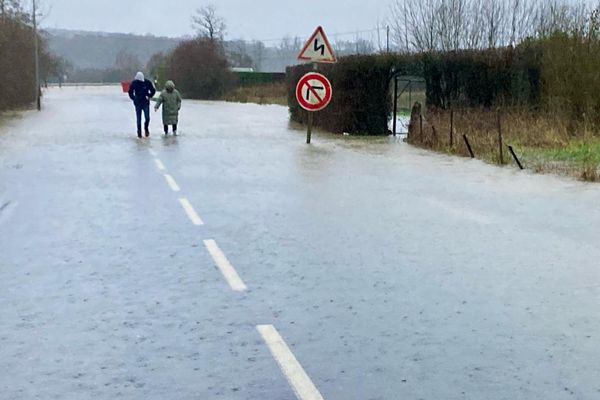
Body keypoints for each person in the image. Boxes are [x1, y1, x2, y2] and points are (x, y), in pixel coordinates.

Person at [128, 72, 156, 138]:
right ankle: (139, 132)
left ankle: (146, 128)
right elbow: (130, 92)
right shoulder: (134, 83)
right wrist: (134, 98)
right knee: (138, 119)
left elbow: (153, 90)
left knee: (147, 118)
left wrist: (149, 95)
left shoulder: (147, 82)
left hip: (145, 103)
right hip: (137, 103)